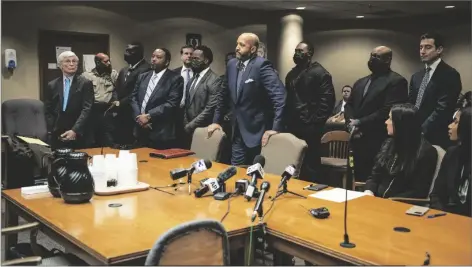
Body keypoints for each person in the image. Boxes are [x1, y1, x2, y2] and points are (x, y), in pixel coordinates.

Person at [208, 33, 286, 166]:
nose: (237, 48)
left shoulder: (262, 65)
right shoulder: (232, 64)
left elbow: (280, 96)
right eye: (237, 44)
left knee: (257, 174)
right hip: (237, 130)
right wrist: (216, 121)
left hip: (258, 131)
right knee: (236, 170)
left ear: (253, 49)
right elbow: (223, 94)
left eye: (242, 45)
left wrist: (276, 127)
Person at [344, 46, 408, 183]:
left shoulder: (396, 81)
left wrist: (360, 122)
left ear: (388, 59)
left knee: (372, 182)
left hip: (378, 141)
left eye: (377, 57)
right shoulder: (361, 82)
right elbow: (349, 105)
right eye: (371, 56)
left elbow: (387, 110)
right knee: (354, 181)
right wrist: (350, 124)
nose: (372, 59)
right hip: (356, 139)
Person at [285, 41, 335, 180]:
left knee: (311, 164)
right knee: (292, 162)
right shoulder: (291, 74)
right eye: (295, 51)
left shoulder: (320, 73)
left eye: (300, 51)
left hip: (311, 128)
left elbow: (327, 101)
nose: (297, 54)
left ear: (310, 53)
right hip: (293, 126)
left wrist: (314, 122)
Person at [364, 104, 438, 198]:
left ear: (400, 124)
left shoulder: (426, 152)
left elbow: (418, 192)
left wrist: (391, 201)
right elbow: (374, 176)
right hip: (377, 201)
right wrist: (369, 191)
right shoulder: (389, 143)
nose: (386, 122)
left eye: (390, 119)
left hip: (400, 206)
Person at [408, 32, 462, 149]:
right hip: (413, 133)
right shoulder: (416, 76)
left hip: (436, 135)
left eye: (428, 47)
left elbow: (443, 108)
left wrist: (422, 130)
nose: (422, 51)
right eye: (421, 47)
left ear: (439, 49)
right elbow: (411, 104)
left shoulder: (450, 74)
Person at [130, 48, 184, 149]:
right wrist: (139, 118)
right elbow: (133, 97)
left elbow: (171, 103)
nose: (154, 59)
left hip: (159, 131)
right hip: (140, 129)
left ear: (167, 62)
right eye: (153, 56)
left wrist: (149, 116)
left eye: (158, 57)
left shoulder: (175, 79)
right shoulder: (143, 76)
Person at [44, 51, 94, 149]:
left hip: (78, 131)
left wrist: (75, 130)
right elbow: (48, 109)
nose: (71, 64)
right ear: (60, 65)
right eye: (67, 61)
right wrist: (52, 127)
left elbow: (87, 109)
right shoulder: (52, 85)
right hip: (58, 131)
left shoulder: (85, 83)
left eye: (74, 61)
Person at [431, 107, 471, 217]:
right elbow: (436, 195)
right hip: (448, 218)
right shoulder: (452, 153)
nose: (450, 126)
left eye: (456, 122)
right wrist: (443, 215)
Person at [113, 42, 151, 146]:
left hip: (135, 112)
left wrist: (121, 103)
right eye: (126, 50)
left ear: (139, 53)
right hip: (121, 114)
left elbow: (137, 92)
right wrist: (116, 100)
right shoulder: (124, 70)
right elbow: (116, 88)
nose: (126, 53)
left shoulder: (146, 69)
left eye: (130, 51)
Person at [182, 45, 221, 148]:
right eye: (192, 58)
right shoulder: (192, 79)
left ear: (206, 60)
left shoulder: (214, 80)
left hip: (204, 130)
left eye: (196, 58)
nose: (192, 61)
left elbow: (210, 108)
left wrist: (190, 125)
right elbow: (187, 104)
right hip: (188, 130)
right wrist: (186, 123)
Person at [81, 53, 118, 147]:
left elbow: (118, 90)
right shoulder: (86, 75)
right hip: (92, 111)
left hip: (107, 111)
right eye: (106, 61)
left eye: (109, 61)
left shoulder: (113, 74)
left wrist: (116, 101)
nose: (109, 63)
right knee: (90, 141)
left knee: (108, 141)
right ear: (97, 62)